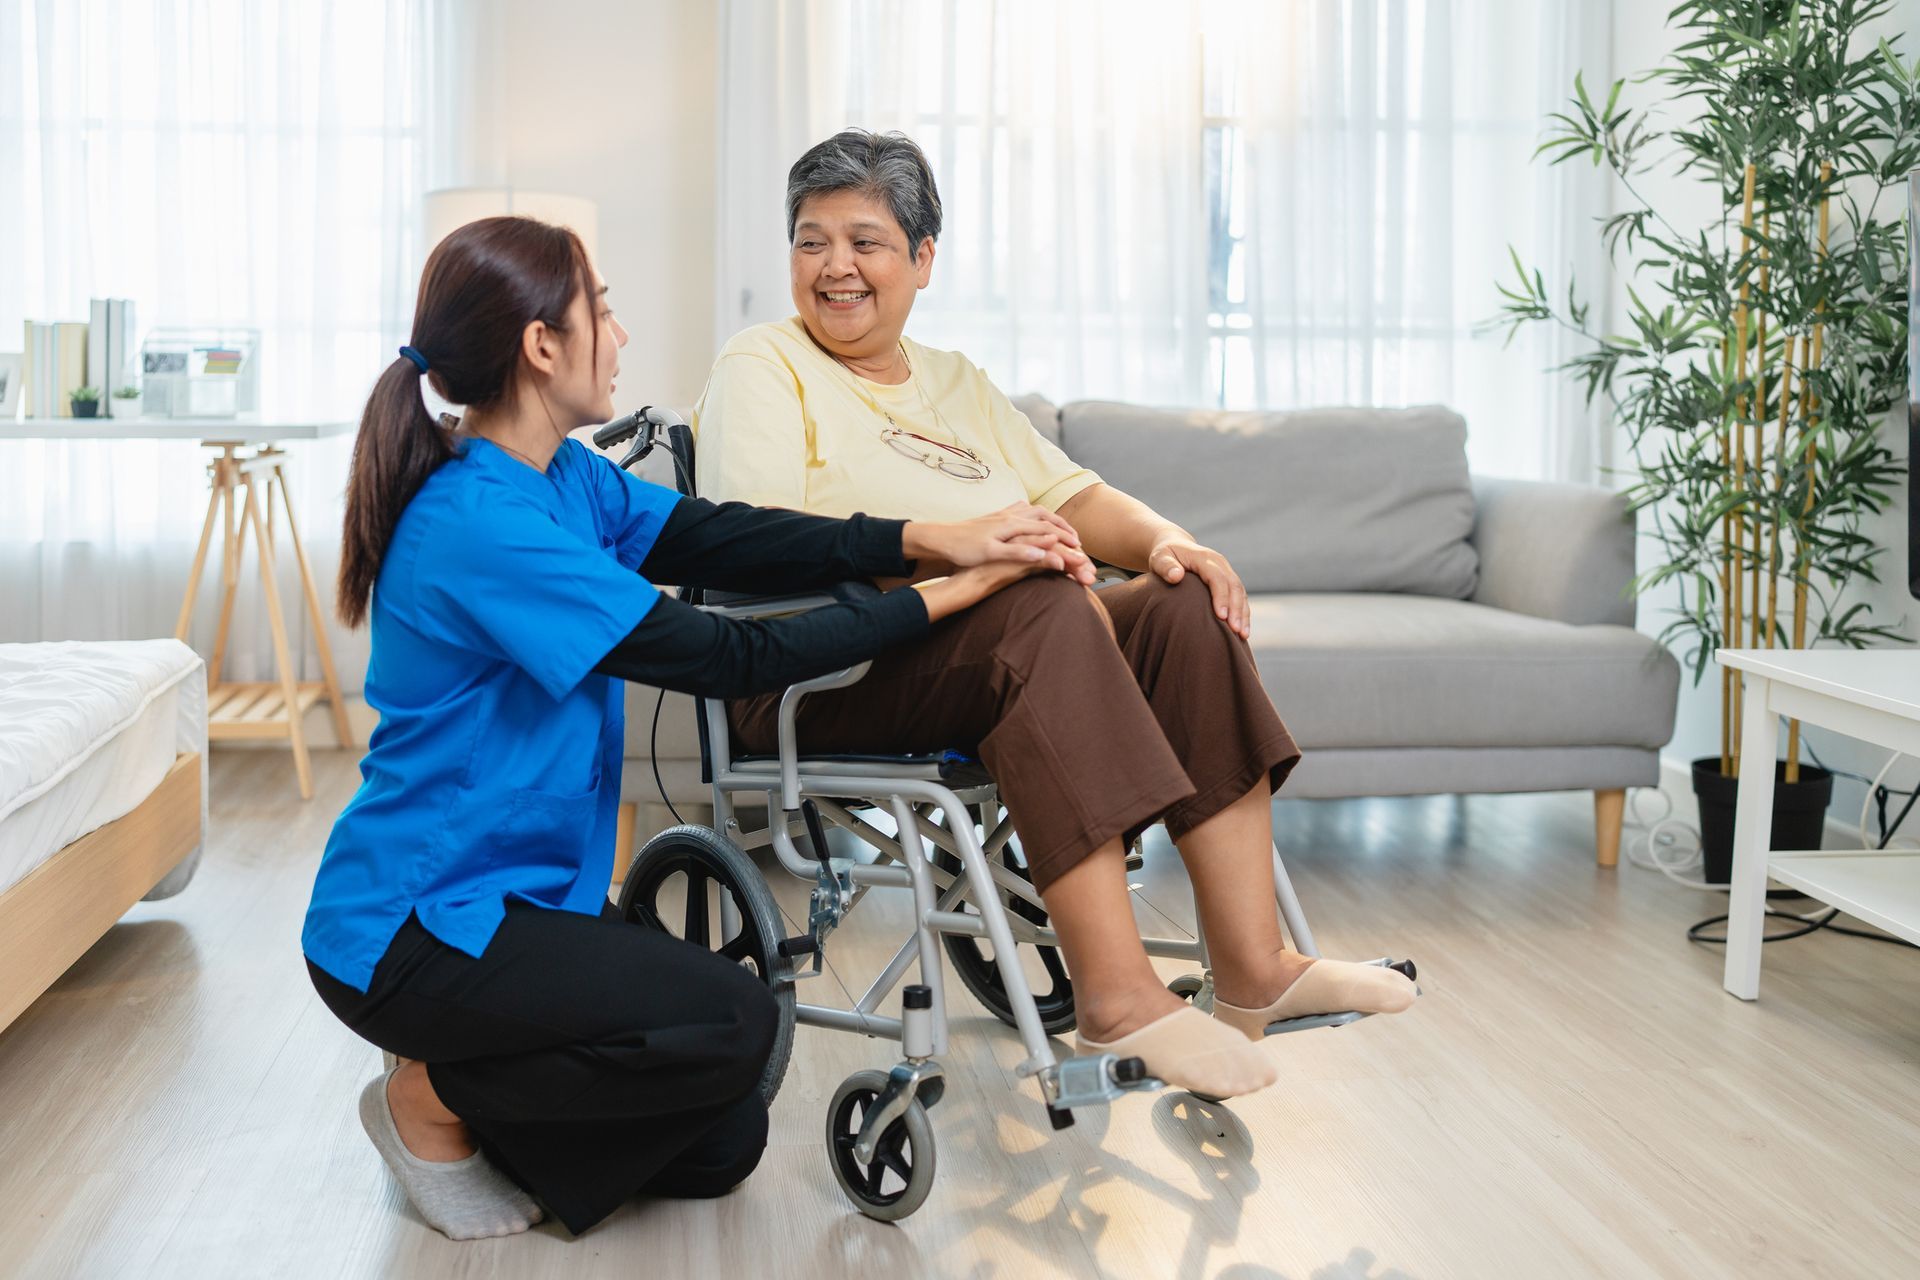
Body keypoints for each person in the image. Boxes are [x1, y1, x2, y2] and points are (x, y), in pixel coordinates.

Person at [302, 215, 1091, 1240]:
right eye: (605, 310)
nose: (621, 336)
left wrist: (923, 535)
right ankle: (434, 1092)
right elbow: (727, 659)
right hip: (416, 926)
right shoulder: (477, 524)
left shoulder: (565, 477)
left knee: (722, 1143)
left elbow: (717, 532)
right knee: (736, 1019)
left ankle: (479, 1082)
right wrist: (947, 592)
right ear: (543, 345)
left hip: (521, 906)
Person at [692, 130, 1417, 1102]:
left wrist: (1172, 540)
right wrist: (962, 550)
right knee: (1041, 602)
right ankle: (1117, 995)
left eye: (864, 241)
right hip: (829, 667)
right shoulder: (763, 362)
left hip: (988, 654)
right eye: (811, 241)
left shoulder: (954, 382)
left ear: (921, 259)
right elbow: (761, 542)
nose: (835, 267)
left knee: (1178, 608)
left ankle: (1254, 970)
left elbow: (1075, 494)